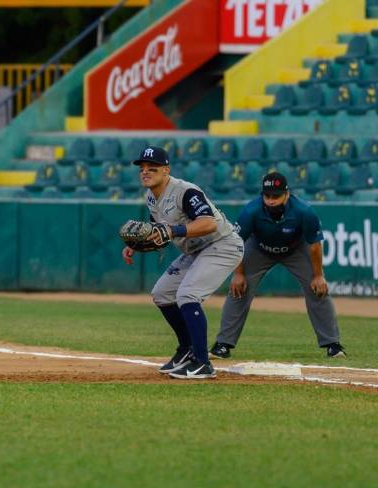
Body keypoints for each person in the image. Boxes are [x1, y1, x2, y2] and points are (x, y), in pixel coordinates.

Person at [123, 146, 244, 379]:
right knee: (162, 294)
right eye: (142, 168)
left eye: (153, 168)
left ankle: (202, 362)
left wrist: (174, 229)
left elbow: (209, 223)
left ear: (166, 170)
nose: (145, 172)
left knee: (187, 295)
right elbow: (158, 232)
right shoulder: (151, 197)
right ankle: (186, 349)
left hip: (222, 244)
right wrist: (135, 246)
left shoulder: (186, 192)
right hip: (195, 250)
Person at [210, 172, 344, 359]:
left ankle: (333, 345)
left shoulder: (304, 211)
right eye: (267, 196)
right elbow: (236, 243)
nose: (271, 200)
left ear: (287, 194)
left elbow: (314, 245)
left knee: (318, 289)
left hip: (296, 249)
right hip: (259, 249)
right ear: (262, 195)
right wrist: (238, 274)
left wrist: (318, 275)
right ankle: (223, 345)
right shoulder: (251, 211)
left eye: (276, 196)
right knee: (239, 289)